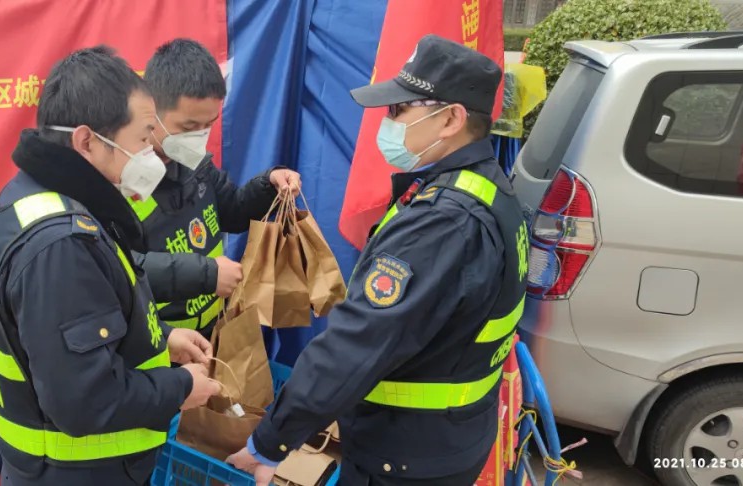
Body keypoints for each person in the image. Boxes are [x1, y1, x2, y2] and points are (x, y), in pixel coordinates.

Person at [227, 35, 529, 486]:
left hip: (405, 456)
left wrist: (270, 441)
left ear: (451, 119)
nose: (386, 122)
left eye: (399, 110)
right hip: (447, 438)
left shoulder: (443, 222)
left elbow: (357, 343)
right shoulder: (490, 190)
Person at [0, 46, 221, 486]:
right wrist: (181, 388)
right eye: (143, 139)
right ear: (87, 141)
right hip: (74, 474)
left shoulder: (39, 196)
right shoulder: (60, 246)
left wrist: (161, 338)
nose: (151, 154)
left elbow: (76, 329)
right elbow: (85, 401)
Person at [132, 38, 302, 337]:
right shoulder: (121, 179)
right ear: (151, 112)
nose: (199, 137)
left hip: (215, 337)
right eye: (188, 127)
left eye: (208, 125)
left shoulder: (195, 164)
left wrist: (269, 184)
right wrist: (206, 275)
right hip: (158, 347)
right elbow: (120, 270)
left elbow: (233, 211)